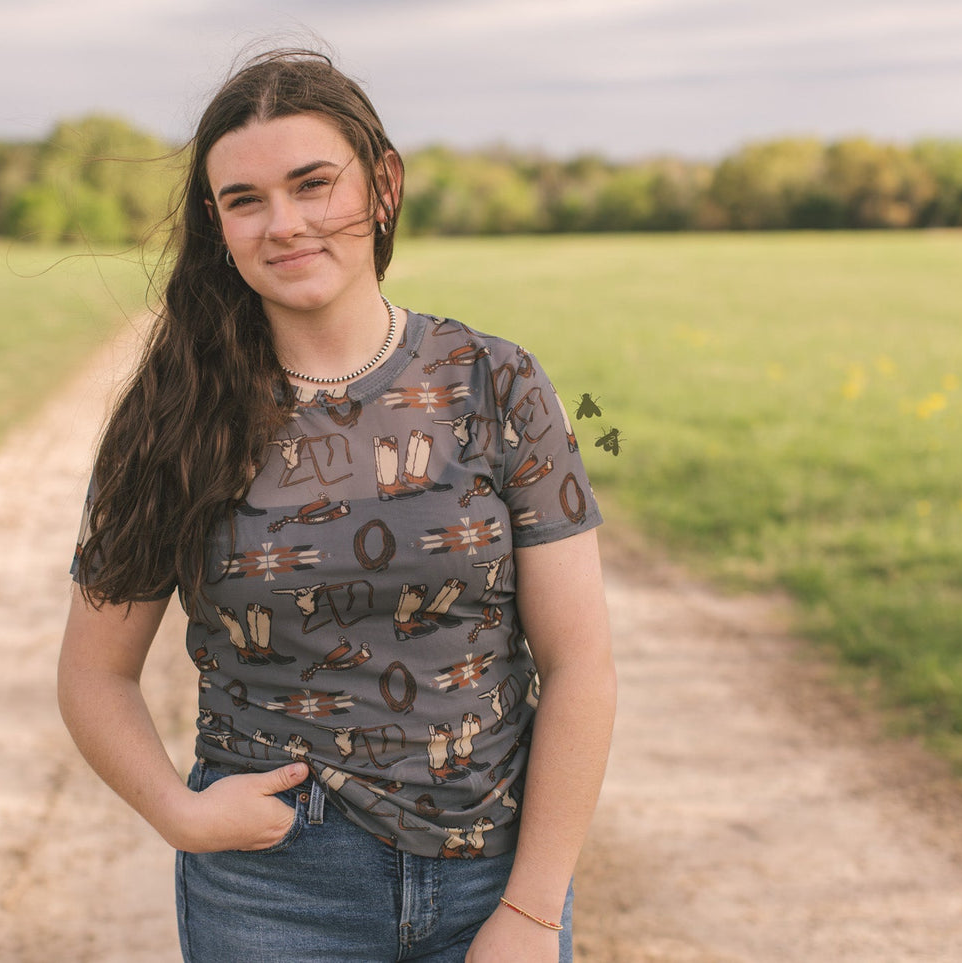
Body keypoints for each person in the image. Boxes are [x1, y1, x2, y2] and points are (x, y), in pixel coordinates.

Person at [57, 46, 616, 963]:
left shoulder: (495, 381)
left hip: (490, 875)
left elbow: (580, 660)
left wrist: (531, 909)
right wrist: (177, 811)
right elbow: (92, 673)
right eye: (245, 200)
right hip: (275, 891)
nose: (284, 223)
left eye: (313, 184)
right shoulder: (175, 415)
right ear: (217, 223)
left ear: (383, 185)